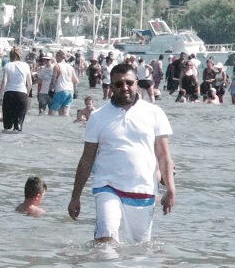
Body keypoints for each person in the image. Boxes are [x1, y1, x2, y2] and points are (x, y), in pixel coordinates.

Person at [67, 63, 176, 244]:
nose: (124, 87)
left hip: (143, 189)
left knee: (137, 249)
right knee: (106, 237)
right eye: (118, 84)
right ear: (111, 87)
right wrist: (75, 196)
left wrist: (171, 190)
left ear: (137, 83)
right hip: (107, 186)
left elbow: (164, 156)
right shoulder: (98, 117)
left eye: (129, 83)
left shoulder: (154, 113)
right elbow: (87, 159)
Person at [0, 46, 32, 131]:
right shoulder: (26, 66)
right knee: (18, 124)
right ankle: (17, 140)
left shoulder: (7, 65)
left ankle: (6, 142)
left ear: (10, 56)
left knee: (7, 124)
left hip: (9, 94)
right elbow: (30, 83)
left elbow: (4, 82)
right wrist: (27, 94)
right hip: (22, 94)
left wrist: (0, 96)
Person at [49, 50, 78, 116]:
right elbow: (76, 81)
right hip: (70, 91)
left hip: (61, 90)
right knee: (65, 114)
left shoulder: (57, 66)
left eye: (56, 56)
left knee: (52, 111)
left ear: (59, 56)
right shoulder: (70, 67)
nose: (56, 58)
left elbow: (53, 81)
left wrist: (49, 90)